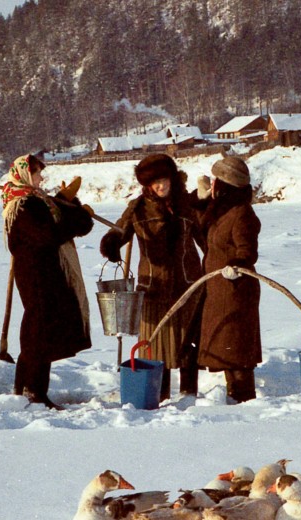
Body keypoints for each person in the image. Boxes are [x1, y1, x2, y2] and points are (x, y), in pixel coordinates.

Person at [99, 154, 204, 402]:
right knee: (156, 346)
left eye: (163, 180)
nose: (160, 186)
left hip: (187, 283)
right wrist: (112, 243)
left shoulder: (186, 205)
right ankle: (161, 393)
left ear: (172, 178)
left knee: (187, 342)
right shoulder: (137, 208)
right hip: (153, 286)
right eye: (154, 182)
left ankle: (189, 394)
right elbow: (119, 231)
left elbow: (205, 238)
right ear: (147, 185)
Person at [2, 153, 94, 410]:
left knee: (39, 328)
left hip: (47, 271)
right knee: (38, 329)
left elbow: (61, 222)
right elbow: (49, 234)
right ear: (24, 174)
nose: (41, 177)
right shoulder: (22, 205)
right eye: (37, 173)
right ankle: (34, 391)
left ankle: (25, 389)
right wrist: (75, 218)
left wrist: (70, 203)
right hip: (35, 274)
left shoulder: (37, 200)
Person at [195, 156, 262, 403]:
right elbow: (201, 230)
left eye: (215, 181)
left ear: (226, 185)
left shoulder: (242, 213)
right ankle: (235, 395)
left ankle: (245, 398)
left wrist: (238, 265)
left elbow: (248, 250)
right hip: (219, 289)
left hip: (236, 289)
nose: (212, 184)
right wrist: (200, 201)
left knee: (238, 349)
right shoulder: (222, 210)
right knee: (227, 347)